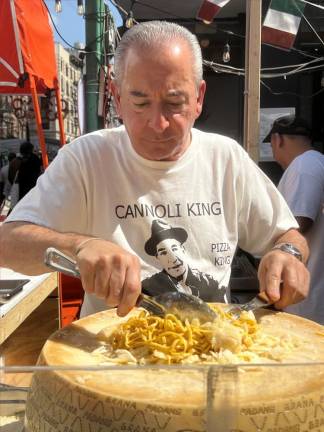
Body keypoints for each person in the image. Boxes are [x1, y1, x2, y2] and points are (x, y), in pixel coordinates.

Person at [0, 21, 309, 319]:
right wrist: (81, 246)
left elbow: (287, 235)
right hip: (110, 360)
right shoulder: (86, 159)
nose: (157, 124)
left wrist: (288, 255)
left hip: (212, 354)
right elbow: (8, 243)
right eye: (140, 103)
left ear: (198, 98)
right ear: (118, 98)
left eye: (175, 103)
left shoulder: (225, 158)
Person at [266, 114, 324, 324]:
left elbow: (299, 223)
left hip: (306, 298)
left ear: (277, 140)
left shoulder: (303, 166)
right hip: (309, 293)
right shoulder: (315, 162)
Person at [142, 219, 227, 302]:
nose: (173, 260)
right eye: (163, 253)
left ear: (183, 249)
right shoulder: (150, 285)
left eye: (174, 249)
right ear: (157, 257)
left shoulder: (207, 281)